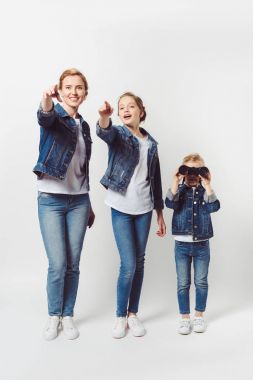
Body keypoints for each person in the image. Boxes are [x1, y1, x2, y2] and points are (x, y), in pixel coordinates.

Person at [97, 92, 166, 338]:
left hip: (145, 209)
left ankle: (133, 314)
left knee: (139, 262)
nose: (125, 109)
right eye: (121, 107)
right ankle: (119, 316)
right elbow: (105, 132)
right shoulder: (119, 135)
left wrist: (159, 211)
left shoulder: (152, 143)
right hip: (121, 208)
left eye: (130, 106)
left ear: (140, 110)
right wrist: (104, 118)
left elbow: (155, 180)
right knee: (128, 265)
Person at [33, 68, 95, 340]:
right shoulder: (55, 116)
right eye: (68, 87)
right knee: (57, 263)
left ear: (85, 93)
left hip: (79, 201)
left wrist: (89, 203)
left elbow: (83, 170)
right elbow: (44, 117)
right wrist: (46, 100)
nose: (73, 92)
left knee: (73, 262)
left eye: (78, 87)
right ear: (60, 91)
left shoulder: (84, 125)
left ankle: (68, 314)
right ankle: (53, 315)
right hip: (51, 200)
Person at [165, 153, 220, 334]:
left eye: (196, 171)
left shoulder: (205, 191)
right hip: (181, 245)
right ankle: (184, 318)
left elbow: (214, 207)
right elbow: (169, 204)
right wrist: (176, 181)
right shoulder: (180, 190)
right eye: (188, 170)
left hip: (202, 245)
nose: (191, 174)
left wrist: (208, 184)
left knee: (201, 282)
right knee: (183, 283)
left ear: (202, 173)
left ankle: (199, 316)